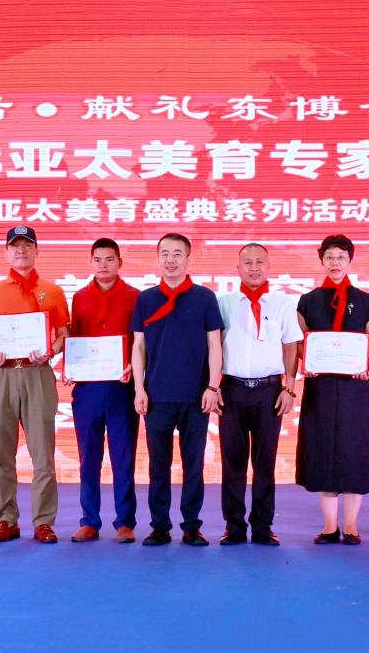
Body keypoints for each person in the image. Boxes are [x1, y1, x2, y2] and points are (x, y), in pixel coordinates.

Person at [0, 226, 70, 544]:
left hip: (37, 373)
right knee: (2, 454)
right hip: (0, 375)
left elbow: (63, 334)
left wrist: (51, 350)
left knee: (43, 454)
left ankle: (43, 522)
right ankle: (5, 519)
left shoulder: (52, 291)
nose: (21, 251)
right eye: (15, 246)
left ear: (37, 251)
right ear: (6, 252)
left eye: (27, 245)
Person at [131, 233, 224, 546]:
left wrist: (213, 386)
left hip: (196, 396)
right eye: (165, 254)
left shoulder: (204, 297)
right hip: (157, 396)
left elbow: (215, 344)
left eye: (177, 254)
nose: (170, 260)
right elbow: (138, 346)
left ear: (188, 259)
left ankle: (191, 526)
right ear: (158, 258)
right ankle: (159, 526)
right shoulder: (146, 299)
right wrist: (139, 389)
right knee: (158, 466)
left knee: (193, 465)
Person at [216, 243, 303, 546]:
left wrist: (289, 388)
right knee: (233, 462)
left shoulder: (283, 303)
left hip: (270, 392)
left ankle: (263, 526)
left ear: (268, 266)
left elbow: (291, 346)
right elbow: (212, 346)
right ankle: (234, 526)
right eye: (248, 263)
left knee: (265, 462)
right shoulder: (223, 303)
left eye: (259, 262)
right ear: (238, 268)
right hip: (231, 390)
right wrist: (212, 386)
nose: (254, 268)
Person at [296, 235, 369, 545]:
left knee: (354, 450)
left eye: (341, 257)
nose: (335, 263)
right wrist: (306, 360)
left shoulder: (366, 301)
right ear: (322, 260)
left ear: (350, 261)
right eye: (329, 257)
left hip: (355, 388)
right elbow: (301, 341)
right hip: (320, 387)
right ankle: (330, 526)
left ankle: (352, 525)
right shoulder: (307, 301)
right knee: (322, 450)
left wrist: (365, 361)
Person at [65, 238, 140, 543]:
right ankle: (89, 521)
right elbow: (75, 338)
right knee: (88, 458)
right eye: (98, 260)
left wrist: (135, 366)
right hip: (87, 390)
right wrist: (70, 367)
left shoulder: (135, 296)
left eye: (110, 259)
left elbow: (140, 341)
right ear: (90, 262)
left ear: (119, 262)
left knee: (123, 457)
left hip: (123, 387)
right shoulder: (80, 297)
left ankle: (125, 522)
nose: (104, 265)